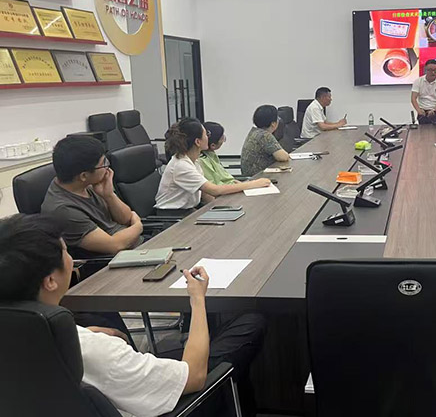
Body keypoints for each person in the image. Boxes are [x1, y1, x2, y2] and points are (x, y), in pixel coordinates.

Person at [0, 213, 265, 417]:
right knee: (250, 322)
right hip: (171, 406)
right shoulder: (97, 351)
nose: (72, 260)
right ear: (50, 281)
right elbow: (194, 376)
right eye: (66, 252)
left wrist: (85, 333)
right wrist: (197, 300)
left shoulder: (36, 336)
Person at [41, 135, 143, 255]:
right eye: (103, 164)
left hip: (135, 244)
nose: (107, 167)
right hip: (120, 258)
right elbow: (114, 245)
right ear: (84, 176)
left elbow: (125, 218)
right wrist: (138, 226)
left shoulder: (87, 184)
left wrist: (109, 195)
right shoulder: (63, 210)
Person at [155, 118, 271, 211]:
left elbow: (204, 192)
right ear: (198, 142)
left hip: (188, 211)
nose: (208, 137)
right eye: (205, 134)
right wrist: (253, 184)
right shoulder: (181, 165)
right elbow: (215, 190)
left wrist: (221, 208)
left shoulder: (193, 160)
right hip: (173, 217)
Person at [241, 105, 291, 176]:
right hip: (258, 177)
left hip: (251, 176)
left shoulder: (254, 131)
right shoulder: (265, 136)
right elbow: (283, 157)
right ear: (273, 124)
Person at [198, 121, 242, 185]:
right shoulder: (202, 160)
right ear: (213, 145)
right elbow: (215, 185)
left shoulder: (211, 155)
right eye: (222, 138)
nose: (223, 140)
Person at [411, 59, 436, 124]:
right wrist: (418, 110)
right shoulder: (418, 81)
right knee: (422, 129)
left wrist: (434, 110)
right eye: (430, 70)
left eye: (435, 70)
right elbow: (413, 98)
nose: (433, 72)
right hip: (422, 111)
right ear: (425, 69)